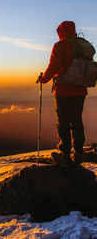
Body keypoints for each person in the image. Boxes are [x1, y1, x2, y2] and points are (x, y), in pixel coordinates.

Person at [39, 21, 86, 165]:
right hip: (80, 90)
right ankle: (78, 152)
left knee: (63, 122)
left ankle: (65, 154)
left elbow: (54, 65)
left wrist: (43, 79)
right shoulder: (82, 45)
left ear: (61, 32)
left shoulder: (60, 46)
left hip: (64, 90)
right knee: (77, 120)